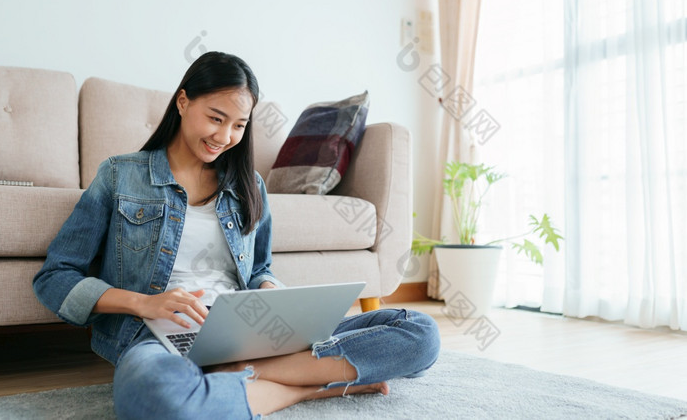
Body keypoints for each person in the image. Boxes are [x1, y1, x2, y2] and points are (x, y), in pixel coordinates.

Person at [33, 51, 440, 419]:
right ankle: (307, 387)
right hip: (161, 335)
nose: (225, 137)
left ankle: (249, 372)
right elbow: (56, 277)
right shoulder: (120, 175)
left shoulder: (249, 186)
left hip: (250, 330)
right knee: (156, 399)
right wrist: (146, 304)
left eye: (239, 125)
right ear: (183, 101)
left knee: (421, 334)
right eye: (216, 117)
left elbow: (259, 267)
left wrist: (272, 290)